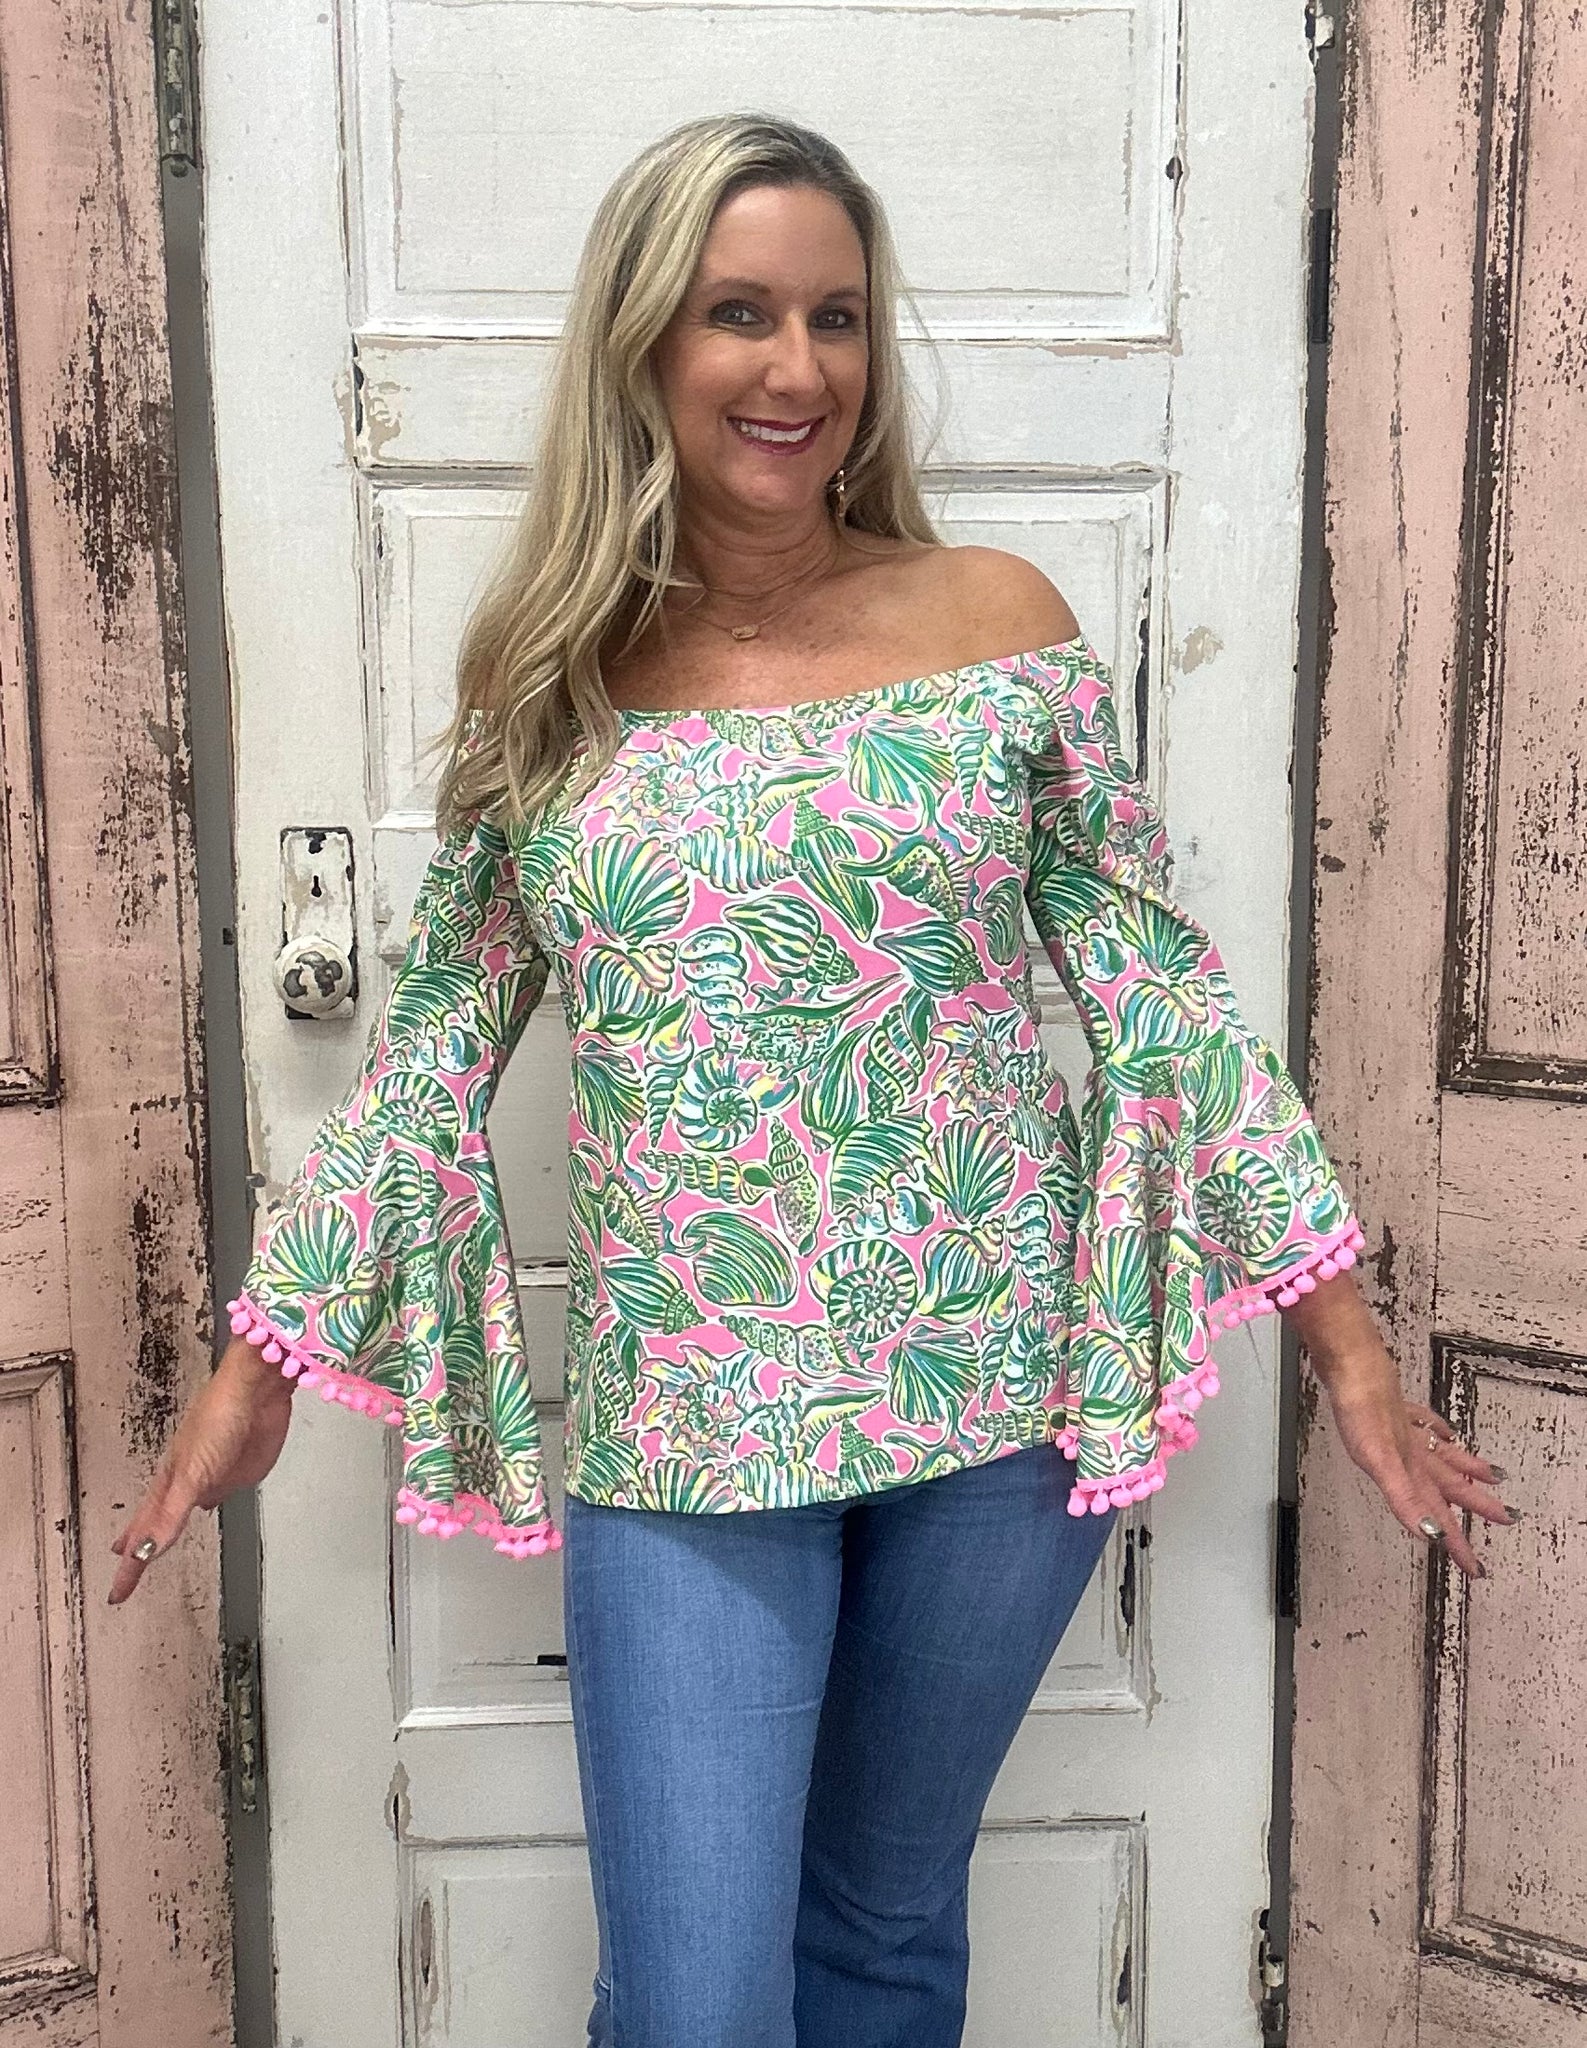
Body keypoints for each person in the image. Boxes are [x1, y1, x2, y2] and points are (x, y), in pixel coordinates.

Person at [111, 113, 1513, 2048]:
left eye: (836, 317)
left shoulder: (998, 626)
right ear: (644, 344)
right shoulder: (553, 683)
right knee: (693, 2001)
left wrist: (1346, 1353)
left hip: (993, 1403)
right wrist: (260, 1366)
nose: (797, 368)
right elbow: (435, 1044)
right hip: (692, 1427)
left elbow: (1163, 1000)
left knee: (879, 1926)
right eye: (740, 313)